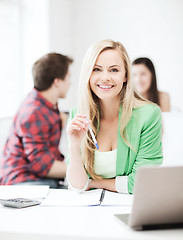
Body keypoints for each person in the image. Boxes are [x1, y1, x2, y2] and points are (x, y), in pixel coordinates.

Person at [66, 40, 163, 194]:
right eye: (97, 69)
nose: (105, 77)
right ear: (88, 75)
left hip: (130, 209)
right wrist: (73, 145)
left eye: (114, 70)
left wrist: (96, 183)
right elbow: (77, 186)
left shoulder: (149, 115)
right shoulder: (78, 115)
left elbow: (142, 182)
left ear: (125, 76)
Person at [0, 53, 73, 188]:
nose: (70, 83)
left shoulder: (44, 103)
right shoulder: (33, 112)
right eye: (68, 77)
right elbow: (42, 166)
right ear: (57, 81)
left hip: (35, 178)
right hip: (22, 181)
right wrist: (85, 170)